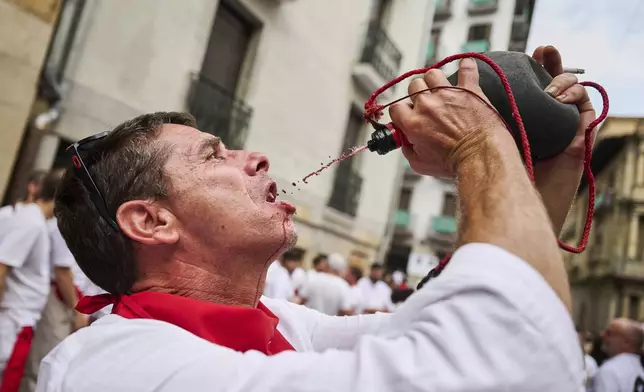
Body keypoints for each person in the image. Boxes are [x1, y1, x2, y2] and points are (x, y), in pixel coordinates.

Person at [38, 46, 592, 391]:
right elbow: (507, 363)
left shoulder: (281, 322)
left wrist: (544, 177)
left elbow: (463, 320)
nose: (254, 157)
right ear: (152, 222)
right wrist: (476, 145)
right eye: (213, 155)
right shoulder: (118, 369)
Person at [0, 171, 61, 391]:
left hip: (18, 317)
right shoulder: (31, 222)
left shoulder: (34, 220)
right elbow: (2, 266)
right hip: (15, 318)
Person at [592, 318, 644, 392]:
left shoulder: (609, 371)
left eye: (609, 333)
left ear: (626, 342)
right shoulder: (639, 369)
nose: (602, 335)